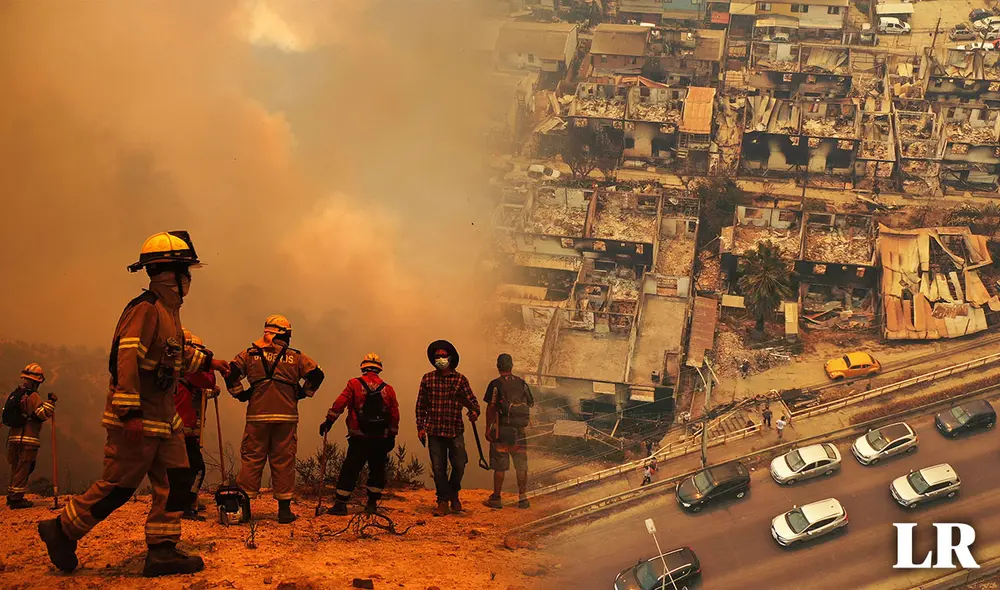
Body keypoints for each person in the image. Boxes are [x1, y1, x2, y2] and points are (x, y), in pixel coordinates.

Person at [38, 231, 230, 577]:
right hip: (140, 417)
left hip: (165, 419)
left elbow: (171, 356)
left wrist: (209, 362)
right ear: (170, 273)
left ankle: (162, 550)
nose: (188, 278)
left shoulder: (169, 313)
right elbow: (125, 359)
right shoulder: (146, 309)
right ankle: (62, 530)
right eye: (185, 271)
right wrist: (129, 413)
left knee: (177, 479)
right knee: (119, 486)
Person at [225, 314, 325, 524]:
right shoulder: (296, 357)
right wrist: (303, 393)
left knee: (252, 460)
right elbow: (317, 375)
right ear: (285, 335)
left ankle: (244, 510)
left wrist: (240, 394)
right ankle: (284, 511)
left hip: (257, 417)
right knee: (284, 461)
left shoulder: (250, 354)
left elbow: (229, 372)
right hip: (286, 418)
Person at [320, 353, 400, 516]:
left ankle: (341, 504)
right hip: (380, 438)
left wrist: (329, 421)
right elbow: (394, 414)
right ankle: (371, 504)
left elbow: (340, 403)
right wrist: (392, 435)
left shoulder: (354, 384)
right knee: (377, 470)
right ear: (379, 369)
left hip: (359, 437)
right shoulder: (388, 389)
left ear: (363, 367)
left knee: (350, 469)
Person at [415, 340, 480, 517]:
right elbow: (421, 405)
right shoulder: (428, 379)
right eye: (437, 356)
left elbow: (473, 403)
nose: (440, 359)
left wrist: (474, 413)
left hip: (455, 430)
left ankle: (453, 493)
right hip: (434, 430)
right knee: (438, 468)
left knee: (460, 463)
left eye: (443, 356)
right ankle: (442, 501)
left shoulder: (460, 380)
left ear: (450, 358)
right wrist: (420, 427)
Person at [175, 330, 219, 520]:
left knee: (177, 468)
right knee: (196, 467)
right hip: (184, 428)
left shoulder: (174, 371)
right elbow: (208, 380)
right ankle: (186, 504)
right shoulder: (189, 370)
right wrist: (208, 362)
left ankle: (178, 503)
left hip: (176, 427)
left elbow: (196, 391)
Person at [482, 354, 533, 510]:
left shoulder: (495, 384)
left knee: (500, 466)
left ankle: (496, 498)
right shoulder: (522, 383)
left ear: (498, 366)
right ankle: (523, 499)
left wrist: (488, 428)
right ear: (512, 366)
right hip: (519, 432)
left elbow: (491, 407)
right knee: (521, 466)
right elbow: (530, 403)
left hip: (502, 431)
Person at [4, 363, 57, 509]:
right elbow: (41, 414)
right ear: (36, 381)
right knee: (24, 468)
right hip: (27, 439)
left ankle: (11, 495)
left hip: (13, 438)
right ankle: (17, 500)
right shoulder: (32, 396)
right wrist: (51, 403)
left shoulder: (17, 393)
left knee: (15, 467)